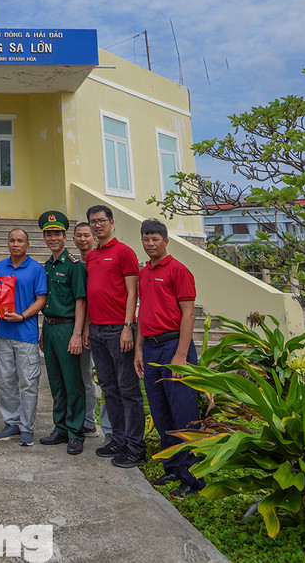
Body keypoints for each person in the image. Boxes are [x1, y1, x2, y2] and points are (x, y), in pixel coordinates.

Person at [134, 219, 207, 497]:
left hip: (175, 347)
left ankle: (194, 477)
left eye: (155, 239)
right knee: (161, 412)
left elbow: (189, 314)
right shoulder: (144, 273)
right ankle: (172, 468)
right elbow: (143, 312)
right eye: (146, 239)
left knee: (184, 413)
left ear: (166, 241)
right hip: (151, 349)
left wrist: (180, 355)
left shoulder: (179, 270)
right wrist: (139, 350)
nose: (150, 244)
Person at [84, 204, 146, 468]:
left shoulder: (124, 252)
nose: (97, 225)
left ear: (111, 223)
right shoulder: (91, 255)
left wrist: (127, 326)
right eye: (93, 222)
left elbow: (133, 293)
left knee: (128, 390)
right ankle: (118, 439)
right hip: (97, 330)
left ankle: (135, 447)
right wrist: (87, 327)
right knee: (109, 389)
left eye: (101, 221)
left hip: (117, 330)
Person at [0, 228, 48, 447]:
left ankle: (27, 427)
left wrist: (23, 315)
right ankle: (12, 422)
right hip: (4, 331)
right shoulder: (0, 266)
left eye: (20, 241)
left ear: (27, 244)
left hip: (26, 333)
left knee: (28, 382)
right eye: (12, 240)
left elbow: (41, 299)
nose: (16, 244)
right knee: (5, 380)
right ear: (8, 243)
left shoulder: (36, 269)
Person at [37, 211, 88, 455]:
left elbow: (81, 301)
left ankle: (76, 432)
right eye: (48, 234)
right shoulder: (46, 266)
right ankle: (61, 428)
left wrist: (77, 334)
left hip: (68, 327)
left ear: (65, 236)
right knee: (56, 382)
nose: (53, 238)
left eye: (57, 233)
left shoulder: (74, 266)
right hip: (49, 327)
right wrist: (42, 331)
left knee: (72, 382)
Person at [73, 221, 107, 440]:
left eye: (87, 235)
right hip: (81, 329)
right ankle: (88, 422)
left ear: (94, 238)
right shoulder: (74, 265)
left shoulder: (101, 262)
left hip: (104, 327)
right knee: (84, 378)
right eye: (79, 235)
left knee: (106, 381)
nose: (83, 239)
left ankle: (111, 428)